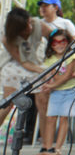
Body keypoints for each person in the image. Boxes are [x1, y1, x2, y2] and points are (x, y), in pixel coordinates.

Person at [0, 8, 53, 139]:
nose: (29, 28)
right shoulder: (8, 39)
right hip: (19, 67)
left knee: (43, 102)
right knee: (7, 102)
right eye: (25, 28)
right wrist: (43, 71)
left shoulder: (39, 25)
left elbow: (62, 37)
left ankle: (47, 145)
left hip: (38, 64)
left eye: (30, 24)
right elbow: (23, 63)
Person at [41, 30, 75, 155]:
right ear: (51, 44)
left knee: (64, 118)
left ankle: (58, 148)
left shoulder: (73, 56)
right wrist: (50, 84)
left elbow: (67, 75)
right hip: (56, 92)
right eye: (55, 42)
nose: (59, 45)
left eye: (62, 41)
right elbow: (54, 77)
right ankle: (48, 148)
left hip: (70, 91)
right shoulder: (50, 59)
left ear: (68, 42)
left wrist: (52, 85)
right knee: (51, 118)